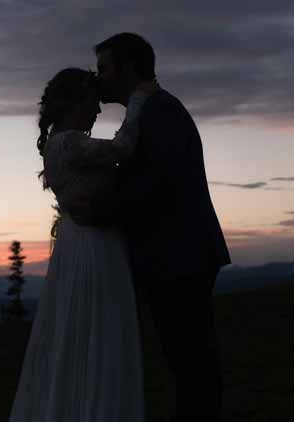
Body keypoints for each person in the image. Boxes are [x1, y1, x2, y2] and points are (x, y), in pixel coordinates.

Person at [74, 32, 232, 422]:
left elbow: (155, 183)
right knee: (186, 361)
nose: (98, 78)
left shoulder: (160, 112)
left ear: (128, 68)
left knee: (191, 362)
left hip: (180, 255)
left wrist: (97, 212)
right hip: (173, 254)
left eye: (104, 69)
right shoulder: (150, 111)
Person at [8, 66, 155, 422]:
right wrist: (138, 101)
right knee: (101, 328)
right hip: (94, 244)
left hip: (78, 241)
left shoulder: (59, 143)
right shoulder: (69, 143)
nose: (98, 110)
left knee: (82, 328)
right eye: (92, 101)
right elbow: (122, 147)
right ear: (74, 102)